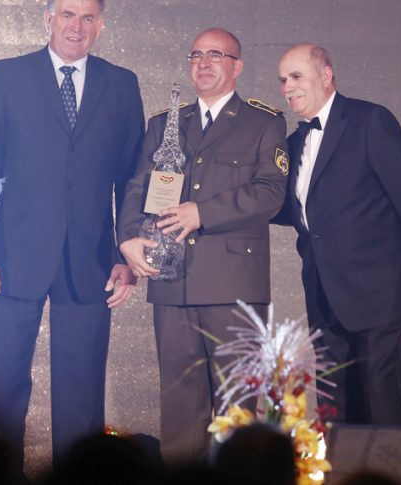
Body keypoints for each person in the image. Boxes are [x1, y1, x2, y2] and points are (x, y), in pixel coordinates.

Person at [0, 0, 144, 468]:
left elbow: (131, 181)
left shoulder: (122, 85)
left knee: (82, 392)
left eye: (87, 17)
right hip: (11, 258)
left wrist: (124, 255)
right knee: (3, 387)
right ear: (49, 20)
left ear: (100, 26)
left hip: (92, 261)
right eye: (67, 14)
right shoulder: (8, 76)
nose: (76, 26)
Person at [118, 28, 288, 463]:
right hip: (172, 283)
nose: (204, 63)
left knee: (237, 415)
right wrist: (129, 238)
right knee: (179, 413)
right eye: (196, 55)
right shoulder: (165, 123)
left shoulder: (262, 122)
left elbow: (270, 193)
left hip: (234, 288)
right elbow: (138, 188)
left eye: (216, 55)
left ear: (237, 66)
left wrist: (203, 212)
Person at [274, 44, 401, 425]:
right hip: (323, 294)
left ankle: (388, 464)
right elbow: (291, 210)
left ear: (326, 76)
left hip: (379, 293)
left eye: (296, 76)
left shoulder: (368, 121)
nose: (287, 88)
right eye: (282, 80)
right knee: (334, 410)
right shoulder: (294, 143)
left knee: (381, 405)